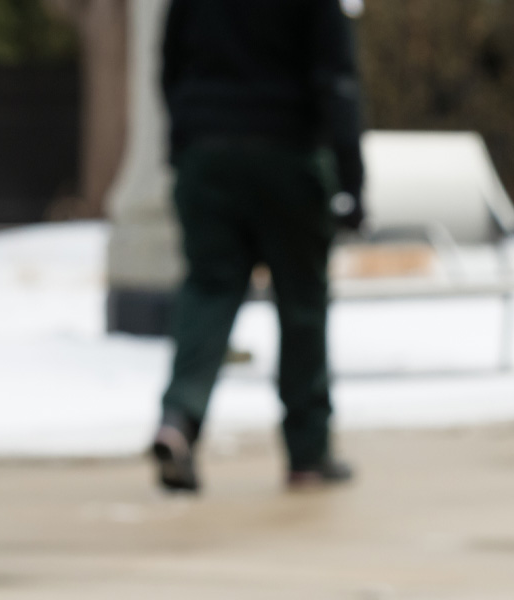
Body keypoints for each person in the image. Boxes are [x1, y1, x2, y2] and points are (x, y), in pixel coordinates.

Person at [149, 0, 365, 493]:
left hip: (207, 151)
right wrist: (351, 178)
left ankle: (179, 418)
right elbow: (337, 77)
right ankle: (308, 453)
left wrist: (187, 139)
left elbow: (168, 65)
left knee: (208, 288)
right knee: (302, 301)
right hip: (287, 150)